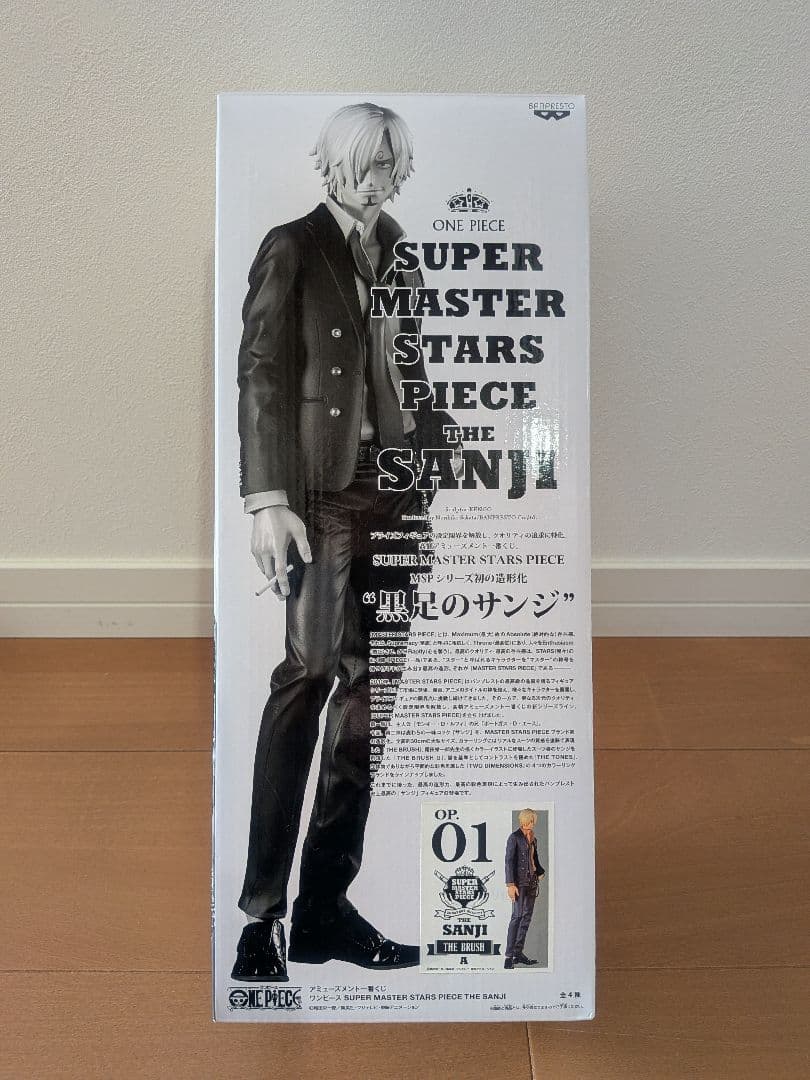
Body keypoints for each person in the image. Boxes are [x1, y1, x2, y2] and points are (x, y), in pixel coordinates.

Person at [231, 102, 456, 981]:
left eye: (389, 164)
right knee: (309, 675)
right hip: (319, 494)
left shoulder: (401, 251)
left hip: (395, 495)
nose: (376, 179)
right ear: (331, 162)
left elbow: (412, 368)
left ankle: (325, 910)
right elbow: (261, 373)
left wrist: (435, 468)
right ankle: (262, 918)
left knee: (373, 696)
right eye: (363, 162)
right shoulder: (292, 246)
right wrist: (267, 500)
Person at [504, 808, 545, 969]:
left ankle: (518, 953)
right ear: (524, 821)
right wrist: (510, 884)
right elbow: (508, 862)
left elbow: (535, 858)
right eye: (530, 821)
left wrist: (540, 872)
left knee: (526, 918)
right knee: (517, 917)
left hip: (532, 883)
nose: (532, 824)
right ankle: (508, 957)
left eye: (533, 821)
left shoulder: (533, 838)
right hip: (519, 884)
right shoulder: (514, 837)